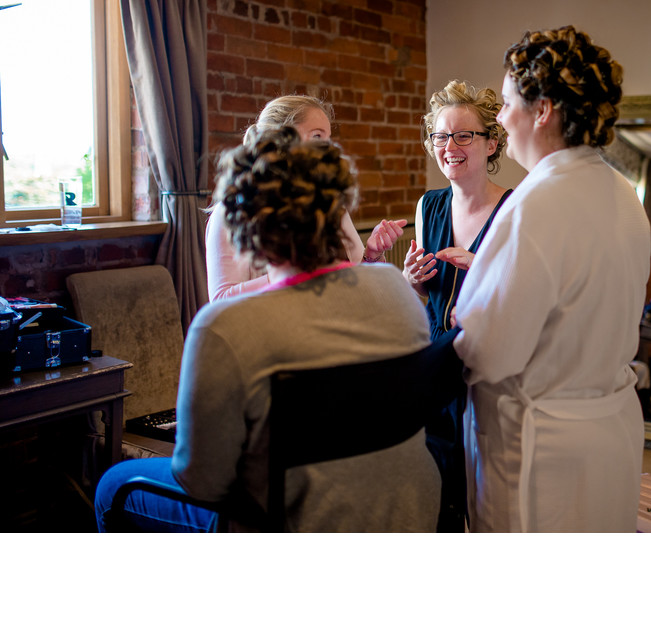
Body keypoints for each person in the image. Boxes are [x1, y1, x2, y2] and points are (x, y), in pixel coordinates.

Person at [95, 127, 441, 532]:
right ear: (337, 212)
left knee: (113, 485)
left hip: (299, 524)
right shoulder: (397, 292)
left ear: (248, 230)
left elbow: (202, 481)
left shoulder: (225, 326)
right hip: (408, 512)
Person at [452, 26, 651, 532]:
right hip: (609, 434)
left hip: (541, 454)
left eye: (504, 102)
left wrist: (468, 318)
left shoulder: (536, 203)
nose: (499, 117)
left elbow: (489, 353)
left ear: (542, 110)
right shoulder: (622, 193)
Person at [403, 80, 512, 532]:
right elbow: (429, 296)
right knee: (439, 484)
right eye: (441, 136)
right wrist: (414, 280)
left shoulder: (514, 209)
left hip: (489, 365)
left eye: (464, 135)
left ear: (491, 143)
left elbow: (521, 297)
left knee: (488, 487)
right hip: (438, 361)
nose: (450, 146)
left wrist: (480, 264)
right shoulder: (428, 206)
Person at [206, 95, 406, 301]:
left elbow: (352, 279)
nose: (328, 149)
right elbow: (221, 299)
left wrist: (371, 256)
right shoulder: (235, 209)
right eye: (317, 137)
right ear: (278, 139)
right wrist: (296, 272)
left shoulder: (331, 202)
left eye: (328, 139)